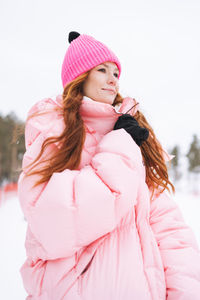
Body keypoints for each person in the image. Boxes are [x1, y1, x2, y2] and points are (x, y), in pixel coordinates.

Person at [18, 31, 200, 300]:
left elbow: (165, 224)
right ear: (79, 77)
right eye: (102, 70)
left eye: (116, 73)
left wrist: (184, 290)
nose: (112, 78)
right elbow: (53, 219)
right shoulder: (53, 131)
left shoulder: (130, 134)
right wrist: (121, 147)